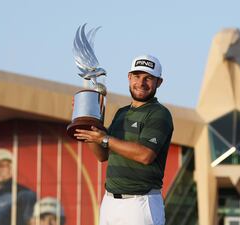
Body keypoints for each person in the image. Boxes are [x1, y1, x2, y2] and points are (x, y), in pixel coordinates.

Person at [74, 54, 174, 225]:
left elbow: (145, 154)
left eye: (148, 78)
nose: (141, 83)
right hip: (110, 202)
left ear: (159, 82)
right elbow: (102, 155)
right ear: (129, 78)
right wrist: (89, 124)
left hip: (140, 203)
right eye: (136, 76)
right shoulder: (122, 112)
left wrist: (104, 138)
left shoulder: (159, 113)